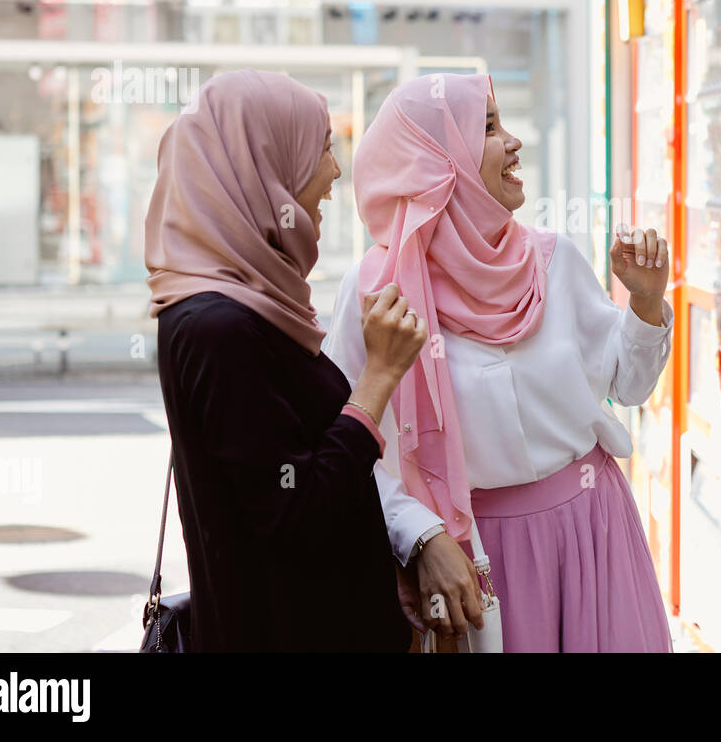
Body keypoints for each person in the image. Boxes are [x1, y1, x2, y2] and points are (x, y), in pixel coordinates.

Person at [323, 72, 674, 652]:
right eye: (486, 127)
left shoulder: (554, 259)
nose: (512, 141)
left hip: (593, 533)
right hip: (473, 560)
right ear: (437, 160)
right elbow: (349, 447)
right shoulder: (376, 292)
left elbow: (629, 386)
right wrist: (418, 537)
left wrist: (644, 301)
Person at [146, 69, 424, 652]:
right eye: (320, 145)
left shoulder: (242, 308)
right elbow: (292, 510)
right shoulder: (217, 326)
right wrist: (377, 381)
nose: (334, 170)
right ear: (262, 167)